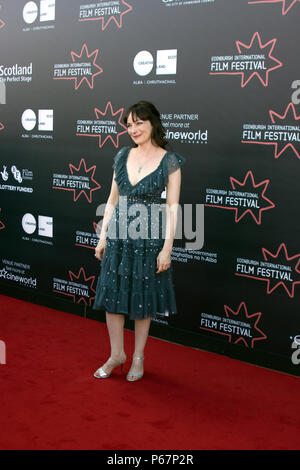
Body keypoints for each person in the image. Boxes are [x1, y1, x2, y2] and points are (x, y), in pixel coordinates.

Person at [92, 100, 185, 381]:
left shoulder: (169, 161)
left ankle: (138, 357)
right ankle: (116, 354)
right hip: (119, 236)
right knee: (112, 296)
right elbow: (112, 199)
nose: (133, 129)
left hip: (149, 239)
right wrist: (103, 235)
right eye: (129, 125)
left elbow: (172, 207)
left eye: (138, 123)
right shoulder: (121, 156)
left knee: (143, 299)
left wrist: (167, 248)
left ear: (153, 122)